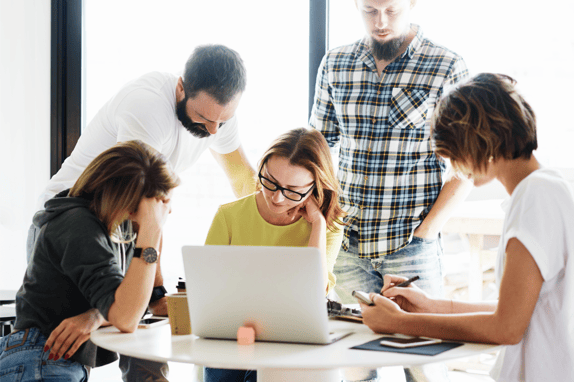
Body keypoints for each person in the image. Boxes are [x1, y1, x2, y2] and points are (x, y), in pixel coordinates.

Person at [26, 44, 257, 381]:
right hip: (76, 223)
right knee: (73, 345)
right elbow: (146, 213)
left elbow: (242, 179)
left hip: (122, 227)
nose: (213, 132)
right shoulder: (148, 110)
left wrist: (279, 212)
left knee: (144, 340)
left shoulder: (218, 119)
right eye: (205, 119)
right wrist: (139, 298)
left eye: (223, 120)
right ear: (181, 88)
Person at [360, 73, 574, 381]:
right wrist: (434, 306)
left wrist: (399, 323)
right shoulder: (547, 187)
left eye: (452, 153)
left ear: (478, 139)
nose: (453, 166)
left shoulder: (534, 197)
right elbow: (515, 310)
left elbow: (507, 328)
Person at [309, 0, 471, 380]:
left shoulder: (446, 66)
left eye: (391, 10)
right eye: (369, 10)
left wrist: (425, 233)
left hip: (411, 248)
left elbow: (465, 166)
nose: (380, 22)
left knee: (424, 369)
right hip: (348, 247)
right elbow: (316, 148)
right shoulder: (336, 63)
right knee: (353, 367)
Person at [0, 140, 180, 381]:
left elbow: (133, 303)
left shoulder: (115, 230)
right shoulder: (78, 225)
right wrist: (151, 232)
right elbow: (127, 317)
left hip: (51, 360)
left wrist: (96, 315)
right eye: (161, 203)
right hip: (41, 357)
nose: (167, 212)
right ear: (130, 202)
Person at [202, 127, 345, 382]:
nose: (277, 197)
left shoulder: (327, 228)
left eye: (293, 190)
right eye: (270, 181)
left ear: (315, 187)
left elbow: (313, 292)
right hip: (232, 336)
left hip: (291, 339)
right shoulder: (229, 215)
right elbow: (206, 290)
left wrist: (318, 226)